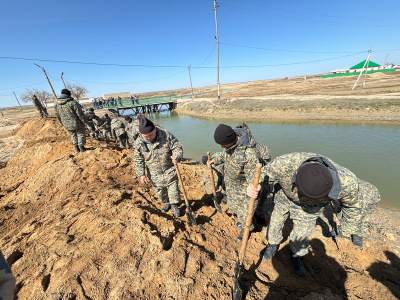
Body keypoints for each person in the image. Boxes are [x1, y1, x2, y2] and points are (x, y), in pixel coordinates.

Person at [247, 152, 381, 276]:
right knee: (275, 222)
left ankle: (295, 256)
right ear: (297, 173)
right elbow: (260, 174)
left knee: (302, 233)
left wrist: (346, 227)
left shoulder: (346, 181)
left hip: (311, 208)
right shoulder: (286, 163)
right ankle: (272, 245)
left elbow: (353, 205)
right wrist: (253, 185)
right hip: (285, 198)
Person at [207, 124, 261, 242]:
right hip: (233, 189)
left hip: (244, 192)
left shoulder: (249, 154)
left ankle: (246, 229)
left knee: (245, 213)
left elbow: (255, 176)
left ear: (232, 139)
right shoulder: (230, 146)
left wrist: (253, 186)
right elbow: (225, 156)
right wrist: (214, 159)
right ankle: (243, 222)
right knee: (236, 209)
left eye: (223, 144)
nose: (222, 146)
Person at [134, 115, 183, 217]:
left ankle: (174, 205)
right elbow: (138, 159)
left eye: (150, 135)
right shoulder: (139, 143)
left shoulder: (166, 135)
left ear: (155, 129)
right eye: (145, 136)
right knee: (160, 192)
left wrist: (177, 156)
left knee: (173, 190)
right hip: (154, 174)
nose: (148, 138)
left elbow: (176, 146)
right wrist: (141, 174)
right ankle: (167, 203)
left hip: (169, 169)